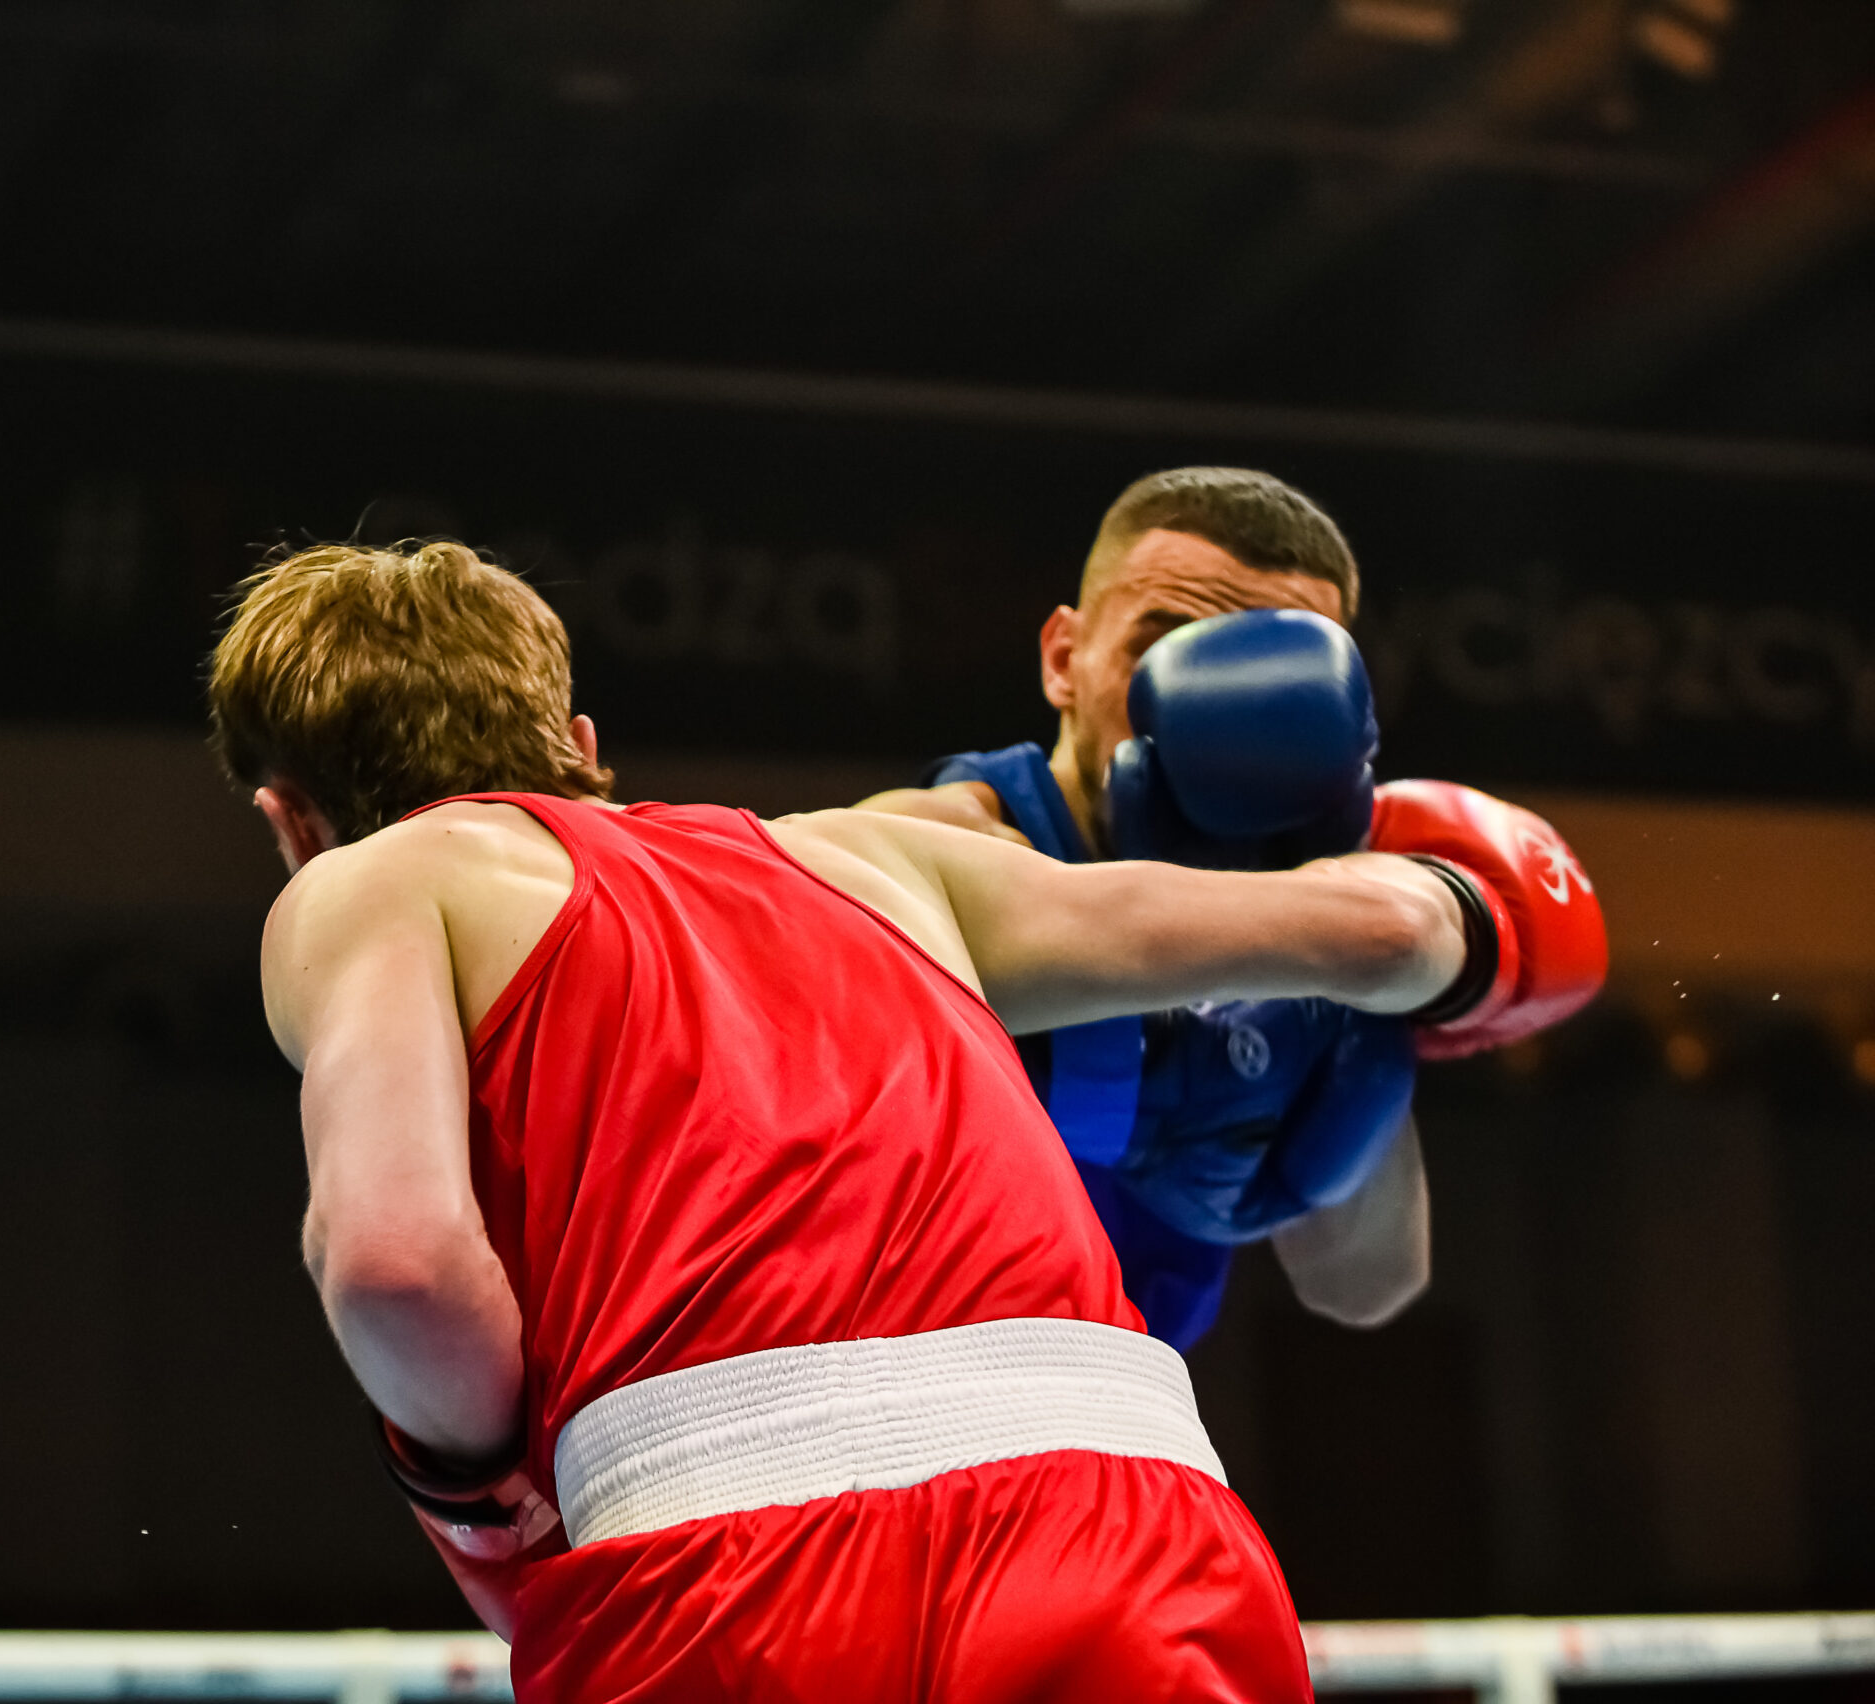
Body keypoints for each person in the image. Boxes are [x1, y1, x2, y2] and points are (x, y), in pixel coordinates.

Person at [209, 538, 1587, 1700]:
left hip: (736, 1568)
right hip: (1127, 1520)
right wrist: (1471, 915)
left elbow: (394, 1264)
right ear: (581, 749)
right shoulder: (876, 855)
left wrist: (479, 1496)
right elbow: (1383, 933)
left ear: (291, 823)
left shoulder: (368, 885)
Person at [859, 468, 1605, 1349]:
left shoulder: (1325, 890)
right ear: (1064, 659)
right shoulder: (933, 846)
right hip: (886, 1401)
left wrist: (1344, 1013)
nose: (1212, 711)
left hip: (1132, 1408)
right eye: (1166, 648)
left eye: (1268, 681)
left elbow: (1362, 1285)